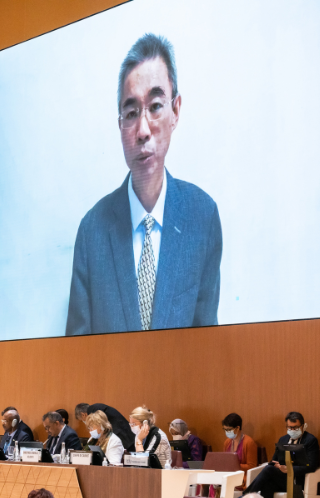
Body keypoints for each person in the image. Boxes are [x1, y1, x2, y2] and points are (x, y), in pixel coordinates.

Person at [66, 33, 222, 337]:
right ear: (121, 125)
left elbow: (207, 349)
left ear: (175, 110)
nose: (142, 130)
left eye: (155, 106)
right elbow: (77, 357)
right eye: (131, 112)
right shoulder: (92, 231)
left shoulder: (202, 217)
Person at [243, 412, 320, 498]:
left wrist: (289, 469)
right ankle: (245, 497)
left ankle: (244, 497)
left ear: (303, 426)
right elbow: (274, 460)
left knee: (268, 471)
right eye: (289, 427)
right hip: (283, 479)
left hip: (298, 480)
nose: (292, 430)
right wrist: (279, 466)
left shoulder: (310, 440)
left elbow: (312, 466)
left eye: (295, 427)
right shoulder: (283, 439)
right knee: (268, 483)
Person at [222, 413, 257, 489]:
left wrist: (234, 466)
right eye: (225, 430)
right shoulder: (227, 442)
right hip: (228, 474)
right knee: (212, 482)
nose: (227, 432)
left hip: (243, 476)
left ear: (237, 428)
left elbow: (252, 466)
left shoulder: (249, 442)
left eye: (229, 430)